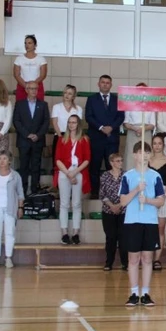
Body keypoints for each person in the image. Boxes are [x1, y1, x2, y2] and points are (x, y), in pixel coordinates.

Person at [119, 142, 166, 307]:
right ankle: (133, 293)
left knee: (147, 258)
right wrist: (136, 190)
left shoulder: (155, 176)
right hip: (132, 221)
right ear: (134, 155)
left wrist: (147, 200)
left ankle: (145, 293)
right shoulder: (127, 176)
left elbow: (161, 201)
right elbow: (123, 201)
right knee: (133, 259)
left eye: (147, 152)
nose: (144, 155)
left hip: (150, 221)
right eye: (140, 152)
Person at [86, 75, 125, 199]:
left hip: (112, 139)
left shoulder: (116, 99)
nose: (105, 84)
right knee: (95, 166)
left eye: (107, 83)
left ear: (111, 85)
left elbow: (121, 117)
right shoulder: (91, 99)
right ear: (98, 84)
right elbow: (88, 116)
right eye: (103, 82)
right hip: (96, 138)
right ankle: (95, 192)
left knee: (112, 166)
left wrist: (111, 128)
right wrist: (101, 127)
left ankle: (112, 192)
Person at [54, 115, 90, 245]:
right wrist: (68, 173)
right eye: (69, 122)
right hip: (64, 171)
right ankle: (64, 233)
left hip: (78, 171)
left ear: (78, 124)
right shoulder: (62, 139)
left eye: (74, 122)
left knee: (76, 204)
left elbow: (87, 159)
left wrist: (74, 172)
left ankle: (75, 233)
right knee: (64, 204)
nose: (71, 125)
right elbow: (57, 159)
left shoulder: (84, 139)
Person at [12, 82, 49, 196]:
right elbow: (16, 121)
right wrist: (27, 134)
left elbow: (46, 122)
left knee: (36, 167)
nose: (33, 91)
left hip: (38, 141)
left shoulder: (43, 104)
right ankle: (22, 192)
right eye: (31, 88)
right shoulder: (19, 104)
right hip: (24, 141)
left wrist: (38, 135)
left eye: (35, 89)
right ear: (26, 90)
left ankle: (34, 191)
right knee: (23, 167)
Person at [149, 133, 166, 270]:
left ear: (163, 145)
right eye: (155, 143)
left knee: (160, 228)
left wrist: (163, 196)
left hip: (164, 194)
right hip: (149, 196)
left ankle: (157, 259)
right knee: (149, 228)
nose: (157, 146)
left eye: (159, 143)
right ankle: (148, 257)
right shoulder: (147, 160)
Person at [100, 153, 127, 271]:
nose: (120, 163)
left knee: (123, 238)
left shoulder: (126, 175)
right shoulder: (105, 176)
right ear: (111, 162)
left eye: (121, 160)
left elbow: (128, 193)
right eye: (118, 161)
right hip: (108, 211)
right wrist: (112, 206)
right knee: (110, 237)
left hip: (123, 210)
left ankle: (125, 263)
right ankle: (108, 263)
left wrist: (119, 205)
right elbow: (102, 194)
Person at [122, 82, 156, 171]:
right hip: (132, 132)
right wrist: (135, 128)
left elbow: (152, 124)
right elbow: (126, 122)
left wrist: (143, 129)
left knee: (145, 155)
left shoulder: (150, 105)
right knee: (131, 156)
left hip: (146, 132)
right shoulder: (129, 104)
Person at [12, 34, 47, 102]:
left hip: (36, 86)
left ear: (35, 45)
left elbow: (43, 75)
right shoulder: (19, 59)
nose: (27, 45)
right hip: (22, 86)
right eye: (25, 43)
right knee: (21, 105)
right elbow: (16, 75)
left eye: (29, 43)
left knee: (38, 105)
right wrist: (26, 86)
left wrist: (32, 86)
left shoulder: (41, 59)